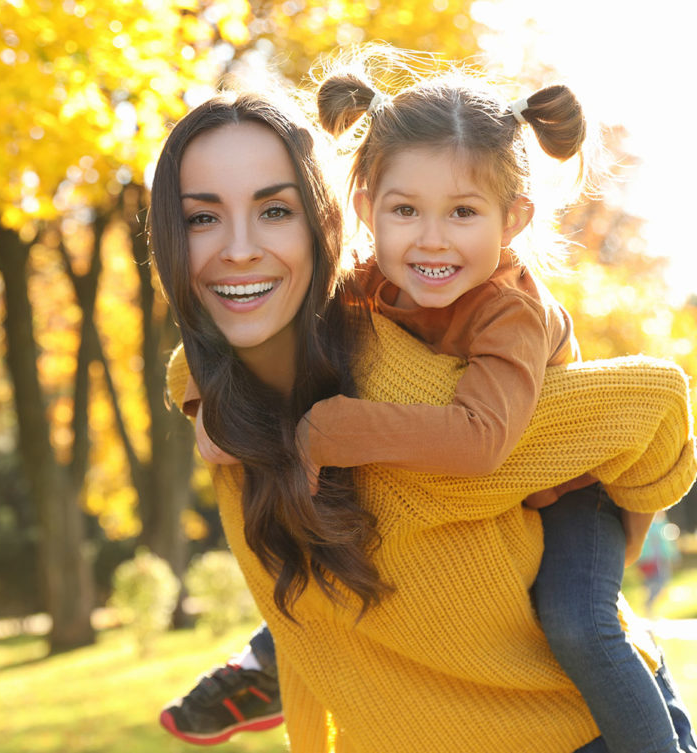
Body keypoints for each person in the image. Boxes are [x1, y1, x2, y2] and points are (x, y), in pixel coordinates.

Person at [147, 75, 697, 751]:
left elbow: (479, 441)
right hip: (448, 579)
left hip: (569, 500)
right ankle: (270, 652)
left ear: (514, 220)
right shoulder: (368, 284)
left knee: (580, 621)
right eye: (406, 211)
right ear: (366, 206)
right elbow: (248, 326)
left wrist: (338, 428)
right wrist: (205, 400)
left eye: (463, 213)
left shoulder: (510, 312)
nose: (431, 241)